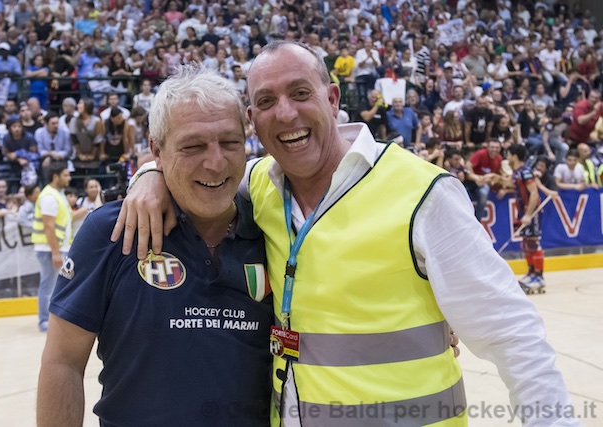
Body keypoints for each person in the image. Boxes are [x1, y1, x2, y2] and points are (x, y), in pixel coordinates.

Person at [115, 41, 582, 427]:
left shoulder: (424, 194)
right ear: (252, 120)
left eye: (300, 93)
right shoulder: (257, 185)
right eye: (266, 102)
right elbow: (197, 170)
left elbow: (513, 335)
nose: (286, 113)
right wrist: (150, 174)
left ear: (333, 99)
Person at [37, 65, 273, 427]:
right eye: (192, 146)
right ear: (156, 150)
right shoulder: (110, 232)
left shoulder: (273, 228)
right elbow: (63, 362)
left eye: (230, 142)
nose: (215, 162)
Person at [31, 162, 74, 332]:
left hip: (57, 248)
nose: (69, 178)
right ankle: (44, 320)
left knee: (52, 285)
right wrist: (55, 253)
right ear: (55, 176)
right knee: (48, 286)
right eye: (65, 175)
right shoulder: (49, 197)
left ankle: (49, 319)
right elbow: (48, 226)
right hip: (50, 249)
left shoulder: (57, 195)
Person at [505, 144, 545, 292]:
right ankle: (531, 272)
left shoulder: (526, 172)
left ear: (515, 156)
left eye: (508, 154)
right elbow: (511, 185)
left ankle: (539, 277)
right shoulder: (517, 173)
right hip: (522, 212)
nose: (507, 157)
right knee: (526, 244)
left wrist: (528, 214)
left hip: (532, 212)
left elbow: (534, 193)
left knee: (533, 243)